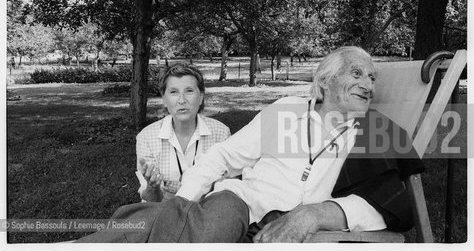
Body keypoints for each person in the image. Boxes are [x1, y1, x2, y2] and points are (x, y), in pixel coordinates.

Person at [77, 46, 423, 243]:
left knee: (159, 224)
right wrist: (182, 202)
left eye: (373, 78)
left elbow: (387, 200)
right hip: (241, 200)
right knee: (209, 229)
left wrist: (319, 213)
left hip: (289, 219)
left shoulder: (372, 131)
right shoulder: (287, 108)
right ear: (326, 80)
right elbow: (225, 155)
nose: (368, 85)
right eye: (357, 74)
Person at [136, 63, 230, 202]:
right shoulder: (146, 137)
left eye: (189, 91)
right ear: (164, 100)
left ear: (201, 97)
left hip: (207, 212)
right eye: (174, 92)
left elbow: (224, 191)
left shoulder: (221, 133)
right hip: (163, 213)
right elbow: (151, 201)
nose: (182, 100)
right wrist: (152, 187)